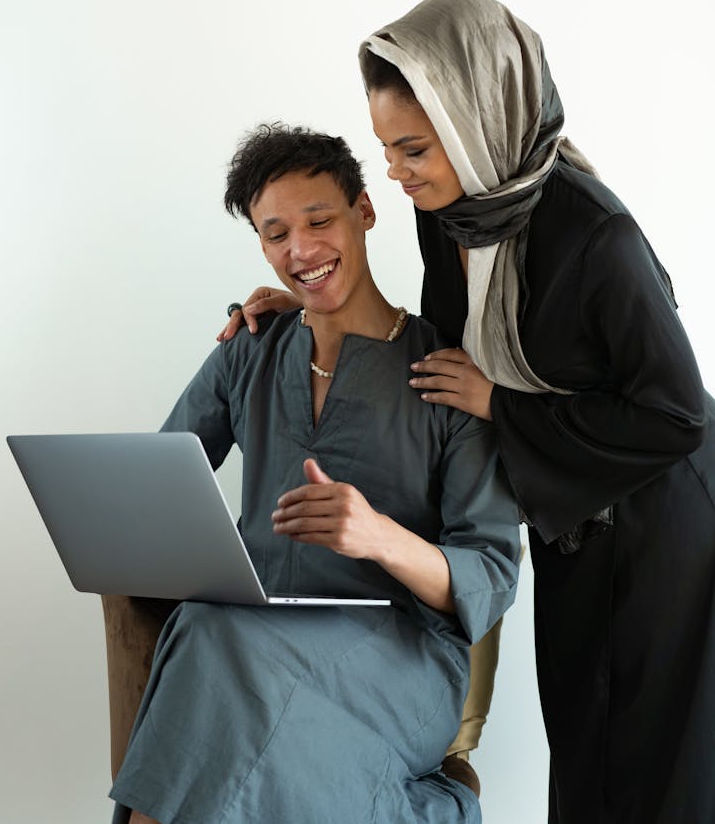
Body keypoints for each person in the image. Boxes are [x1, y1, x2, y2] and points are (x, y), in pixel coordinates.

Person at [222, 0, 715, 824]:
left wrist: (502, 401)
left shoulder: (600, 239)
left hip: (660, 519)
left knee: (657, 766)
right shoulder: (448, 215)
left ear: (480, 119)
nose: (397, 172)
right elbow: (441, 359)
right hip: (567, 516)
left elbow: (678, 417)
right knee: (585, 754)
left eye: (414, 147)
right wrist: (307, 303)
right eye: (387, 149)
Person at [110, 122, 521, 824]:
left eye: (319, 220)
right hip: (251, 636)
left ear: (364, 210)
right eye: (275, 235)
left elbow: (491, 569)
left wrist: (379, 535)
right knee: (211, 633)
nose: (300, 251)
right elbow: (159, 484)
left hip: (402, 656)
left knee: (216, 647)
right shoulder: (250, 351)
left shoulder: (447, 372)